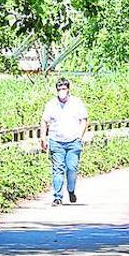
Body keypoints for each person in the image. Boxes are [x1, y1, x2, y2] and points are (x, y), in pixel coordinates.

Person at [39, 78, 89, 206]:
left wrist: (80, 135)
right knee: (58, 169)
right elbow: (44, 121)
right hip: (56, 141)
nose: (62, 91)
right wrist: (43, 138)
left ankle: (71, 190)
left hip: (73, 141)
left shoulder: (76, 103)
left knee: (72, 167)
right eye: (59, 89)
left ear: (68, 89)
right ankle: (57, 197)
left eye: (64, 89)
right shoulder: (51, 104)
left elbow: (84, 119)